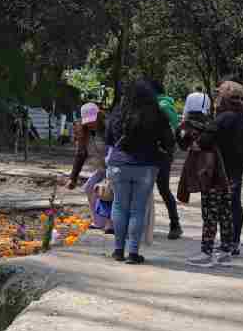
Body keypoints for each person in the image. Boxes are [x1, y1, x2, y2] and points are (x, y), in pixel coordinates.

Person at [105, 80, 175, 264]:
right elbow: (168, 142)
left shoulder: (118, 114)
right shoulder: (157, 115)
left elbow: (109, 139)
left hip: (119, 165)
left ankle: (118, 250)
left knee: (119, 206)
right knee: (138, 209)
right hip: (146, 166)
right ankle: (133, 252)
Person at [177, 102, 237, 266]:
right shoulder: (241, 118)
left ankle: (206, 252)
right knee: (225, 213)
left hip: (214, 175)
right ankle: (226, 250)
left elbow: (196, 144)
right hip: (229, 172)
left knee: (210, 213)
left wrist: (193, 140)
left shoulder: (217, 122)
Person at [217, 80, 243, 256]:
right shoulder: (232, 108)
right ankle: (229, 240)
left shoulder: (240, 109)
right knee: (228, 199)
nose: (217, 95)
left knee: (231, 199)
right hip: (234, 158)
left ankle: (233, 240)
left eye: (220, 92)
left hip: (234, 159)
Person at [67, 102, 111, 232]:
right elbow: (80, 154)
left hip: (114, 167)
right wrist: (72, 178)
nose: (91, 124)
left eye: (93, 120)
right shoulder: (83, 133)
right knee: (89, 188)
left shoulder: (109, 128)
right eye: (88, 121)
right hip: (101, 168)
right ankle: (98, 221)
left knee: (107, 191)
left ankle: (111, 224)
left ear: (99, 116)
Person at [150, 80, 183, 239]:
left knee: (162, 189)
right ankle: (147, 224)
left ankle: (175, 224)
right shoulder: (158, 104)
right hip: (158, 152)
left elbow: (177, 127)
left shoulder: (162, 105)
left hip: (161, 153)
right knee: (158, 189)